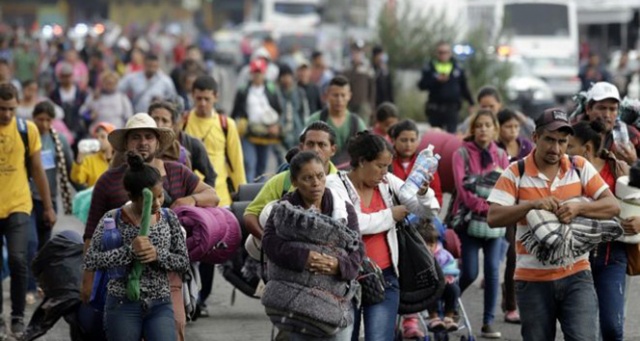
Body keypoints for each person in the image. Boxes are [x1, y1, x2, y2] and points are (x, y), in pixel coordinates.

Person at [81, 113, 219, 340]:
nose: (143, 142)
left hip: (164, 292)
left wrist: (157, 254)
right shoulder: (109, 189)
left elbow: (182, 260)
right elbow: (91, 244)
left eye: (149, 137)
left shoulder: (175, 177)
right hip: (121, 296)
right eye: (136, 137)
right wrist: (124, 255)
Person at [487, 108, 620, 341]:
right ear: (535, 137)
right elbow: (494, 217)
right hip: (532, 280)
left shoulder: (579, 166)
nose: (556, 149)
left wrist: (579, 207)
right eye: (549, 140)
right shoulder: (515, 172)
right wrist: (532, 206)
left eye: (562, 142)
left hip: (577, 274)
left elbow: (612, 206)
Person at [325, 131, 440, 341]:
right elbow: (349, 224)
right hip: (346, 280)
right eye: (380, 166)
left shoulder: (387, 183)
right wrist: (390, 215)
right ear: (361, 161)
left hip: (385, 279)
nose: (384, 172)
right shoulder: (334, 184)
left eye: (387, 166)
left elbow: (427, 211)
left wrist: (423, 193)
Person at [84, 152, 190, 341]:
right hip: (122, 304)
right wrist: (129, 252)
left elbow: (183, 262)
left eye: (160, 195)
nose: (157, 203)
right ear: (132, 197)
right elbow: (91, 259)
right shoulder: (112, 218)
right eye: (151, 199)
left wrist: (157, 255)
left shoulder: (168, 218)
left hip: (160, 303)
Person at [261, 151, 363, 341]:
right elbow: (270, 244)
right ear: (294, 181)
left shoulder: (343, 208)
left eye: (319, 176)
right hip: (294, 305)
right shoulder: (284, 209)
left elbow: (357, 251)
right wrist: (305, 257)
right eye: (307, 178)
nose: (316, 183)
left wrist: (337, 266)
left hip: (334, 304)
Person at [0, 82, 57, 338]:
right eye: (2, 109)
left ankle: (17, 316)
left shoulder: (27, 129)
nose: (7, 114)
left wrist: (48, 205)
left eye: (11, 109)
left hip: (19, 204)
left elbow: (37, 170)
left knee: (18, 258)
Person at [566, 120, 629, 341]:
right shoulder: (566, 171)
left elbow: (634, 205)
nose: (564, 151)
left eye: (570, 146)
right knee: (581, 332)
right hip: (575, 260)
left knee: (612, 327)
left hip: (612, 258)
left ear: (587, 148)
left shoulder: (618, 168)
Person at [451, 109, 509, 339]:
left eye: (488, 125)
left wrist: (496, 210)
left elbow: (507, 186)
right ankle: (450, 300)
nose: (483, 129)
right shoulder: (462, 154)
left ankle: (488, 322)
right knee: (471, 271)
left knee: (494, 271)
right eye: (479, 125)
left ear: (495, 129)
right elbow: (462, 189)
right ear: (472, 128)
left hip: (495, 224)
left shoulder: (502, 155)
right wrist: (486, 207)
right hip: (469, 222)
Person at [244, 122, 339, 242]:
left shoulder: (343, 183)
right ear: (301, 147)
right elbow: (251, 214)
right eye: (310, 144)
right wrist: (269, 242)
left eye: (322, 145)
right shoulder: (283, 180)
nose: (315, 150)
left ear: (333, 149)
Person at [25, 100, 74, 304]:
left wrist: (87, 191)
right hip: (26, 198)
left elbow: (71, 170)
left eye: (47, 120)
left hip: (49, 199)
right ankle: (28, 287)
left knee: (45, 246)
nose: (43, 124)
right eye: (39, 119)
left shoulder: (58, 141)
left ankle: (41, 285)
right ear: (33, 118)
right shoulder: (26, 137)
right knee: (30, 243)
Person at [495, 108, 533, 324]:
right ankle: (510, 303)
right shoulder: (495, 148)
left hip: (522, 207)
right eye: (508, 126)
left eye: (515, 127)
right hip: (501, 208)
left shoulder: (526, 146)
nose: (512, 131)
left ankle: (514, 303)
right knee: (505, 259)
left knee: (518, 257)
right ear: (499, 128)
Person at [184, 75, 246, 206]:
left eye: (207, 99)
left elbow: (236, 163)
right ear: (192, 96)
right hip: (191, 197)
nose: (202, 103)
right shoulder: (183, 122)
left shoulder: (227, 125)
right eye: (199, 98)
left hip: (220, 197)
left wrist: (243, 195)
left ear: (216, 97)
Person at [232, 58, 283, 182]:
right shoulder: (244, 90)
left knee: (262, 166)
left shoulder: (271, 90)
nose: (257, 75)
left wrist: (276, 125)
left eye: (259, 72)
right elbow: (235, 111)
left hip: (266, 133)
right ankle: (249, 192)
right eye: (255, 72)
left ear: (264, 73)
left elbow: (278, 110)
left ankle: (260, 191)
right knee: (249, 163)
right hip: (249, 132)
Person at [149, 100, 217, 187]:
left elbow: (209, 177)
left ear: (173, 125)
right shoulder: (142, 149)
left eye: (165, 121)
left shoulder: (183, 153)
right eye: (155, 119)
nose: (159, 124)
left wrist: (197, 198)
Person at [570, 81, 639, 165]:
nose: (607, 115)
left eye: (612, 109)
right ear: (588, 109)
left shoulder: (632, 136)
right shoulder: (573, 134)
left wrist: (634, 162)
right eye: (601, 108)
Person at [307, 76, 367, 169]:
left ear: (349, 96)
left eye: (343, 95)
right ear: (327, 95)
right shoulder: (315, 120)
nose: (339, 99)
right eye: (335, 95)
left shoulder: (357, 123)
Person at [418, 41, 474, 133]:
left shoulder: (457, 67)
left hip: (452, 109)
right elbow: (421, 85)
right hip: (435, 108)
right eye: (441, 52)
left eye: (446, 52)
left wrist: (471, 103)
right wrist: (435, 80)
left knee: (451, 136)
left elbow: (464, 87)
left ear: (450, 53)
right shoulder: (430, 67)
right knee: (436, 137)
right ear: (436, 53)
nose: (443, 55)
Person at [417, 221, 461, 332]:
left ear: (435, 244)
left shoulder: (443, 255)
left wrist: (446, 276)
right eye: (425, 245)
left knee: (454, 289)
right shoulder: (417, 257)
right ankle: (434, 317)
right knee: (431, 289)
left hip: (444, 283)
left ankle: (449, 316)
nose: (429, 248)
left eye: (431, 245)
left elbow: (452, 267)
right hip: (426, 287)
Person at [389, 119, 443, 207]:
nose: (408, 145)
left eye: (412, 140)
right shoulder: (387, 163)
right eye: (403, 140)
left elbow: (437, 197)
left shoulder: (426, 164)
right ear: (394, 140)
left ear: (418, 141)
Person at [457, 86, 534, 138]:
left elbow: (534, 132)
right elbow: (460, 134)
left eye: (491, 106)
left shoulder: (509, 119)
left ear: (499, 105)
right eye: (484, 107)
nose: (488, 110)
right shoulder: (472, 120)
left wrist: (523, 120)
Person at [49, 62, 89, 145]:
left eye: (68, 76)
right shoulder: (54, 94)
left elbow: (85, 109)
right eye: (64, 76)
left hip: (77, 128)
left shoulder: (80, 93)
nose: (66, 79)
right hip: (61, 128)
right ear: (60, 77)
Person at [70, 122, 115, 188]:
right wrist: (79, 159)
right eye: (97, 137)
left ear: (112, 139)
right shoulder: (89, 160)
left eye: (103, 137)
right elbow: (78, 179)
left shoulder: (119, 159)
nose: (99, 140)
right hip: (96, 197)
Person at [277, 64, 310, 151]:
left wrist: (305, 129)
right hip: (282, 133)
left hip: (298, 130)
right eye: (283, 76)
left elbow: (305, 112)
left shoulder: (299, 92)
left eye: (288, 76)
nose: (286, 79)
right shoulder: (277, 93)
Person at [344, 41, 376, 125]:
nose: (357, 54)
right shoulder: (347, 65)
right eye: (355, 51)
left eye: (359, 52)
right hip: (348, 102)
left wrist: (371, 105)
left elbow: (372, 87)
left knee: (362, 126)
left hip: (363, 103)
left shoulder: (367, 67)